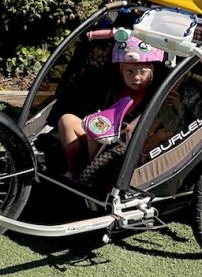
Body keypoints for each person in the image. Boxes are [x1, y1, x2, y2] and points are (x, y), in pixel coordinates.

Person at [57, 36, 163, 175]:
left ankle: (92, 175)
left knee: (99, 129)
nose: (136, 78)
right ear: (121, 71)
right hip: (100, 138)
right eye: (129, 72)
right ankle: (75, 172)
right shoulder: (115, 89)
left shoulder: (155, 96)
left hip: (125, 145)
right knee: (67, 120)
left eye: (143, 72)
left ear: (152, 75)